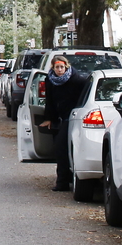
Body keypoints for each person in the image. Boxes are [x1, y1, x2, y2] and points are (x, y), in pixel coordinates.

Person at [39, 56, 86, 192]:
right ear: (52, 68)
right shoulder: (50, 80)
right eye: (57, 67)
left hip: (72, 117)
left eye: (62, 67)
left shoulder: (77, 80)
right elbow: (50, 100)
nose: (60, 70)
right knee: (60, 150)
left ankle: (63, 182)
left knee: (62, 147)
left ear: (66, 67)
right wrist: (49, 118)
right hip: (59, 117)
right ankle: (63, 181)